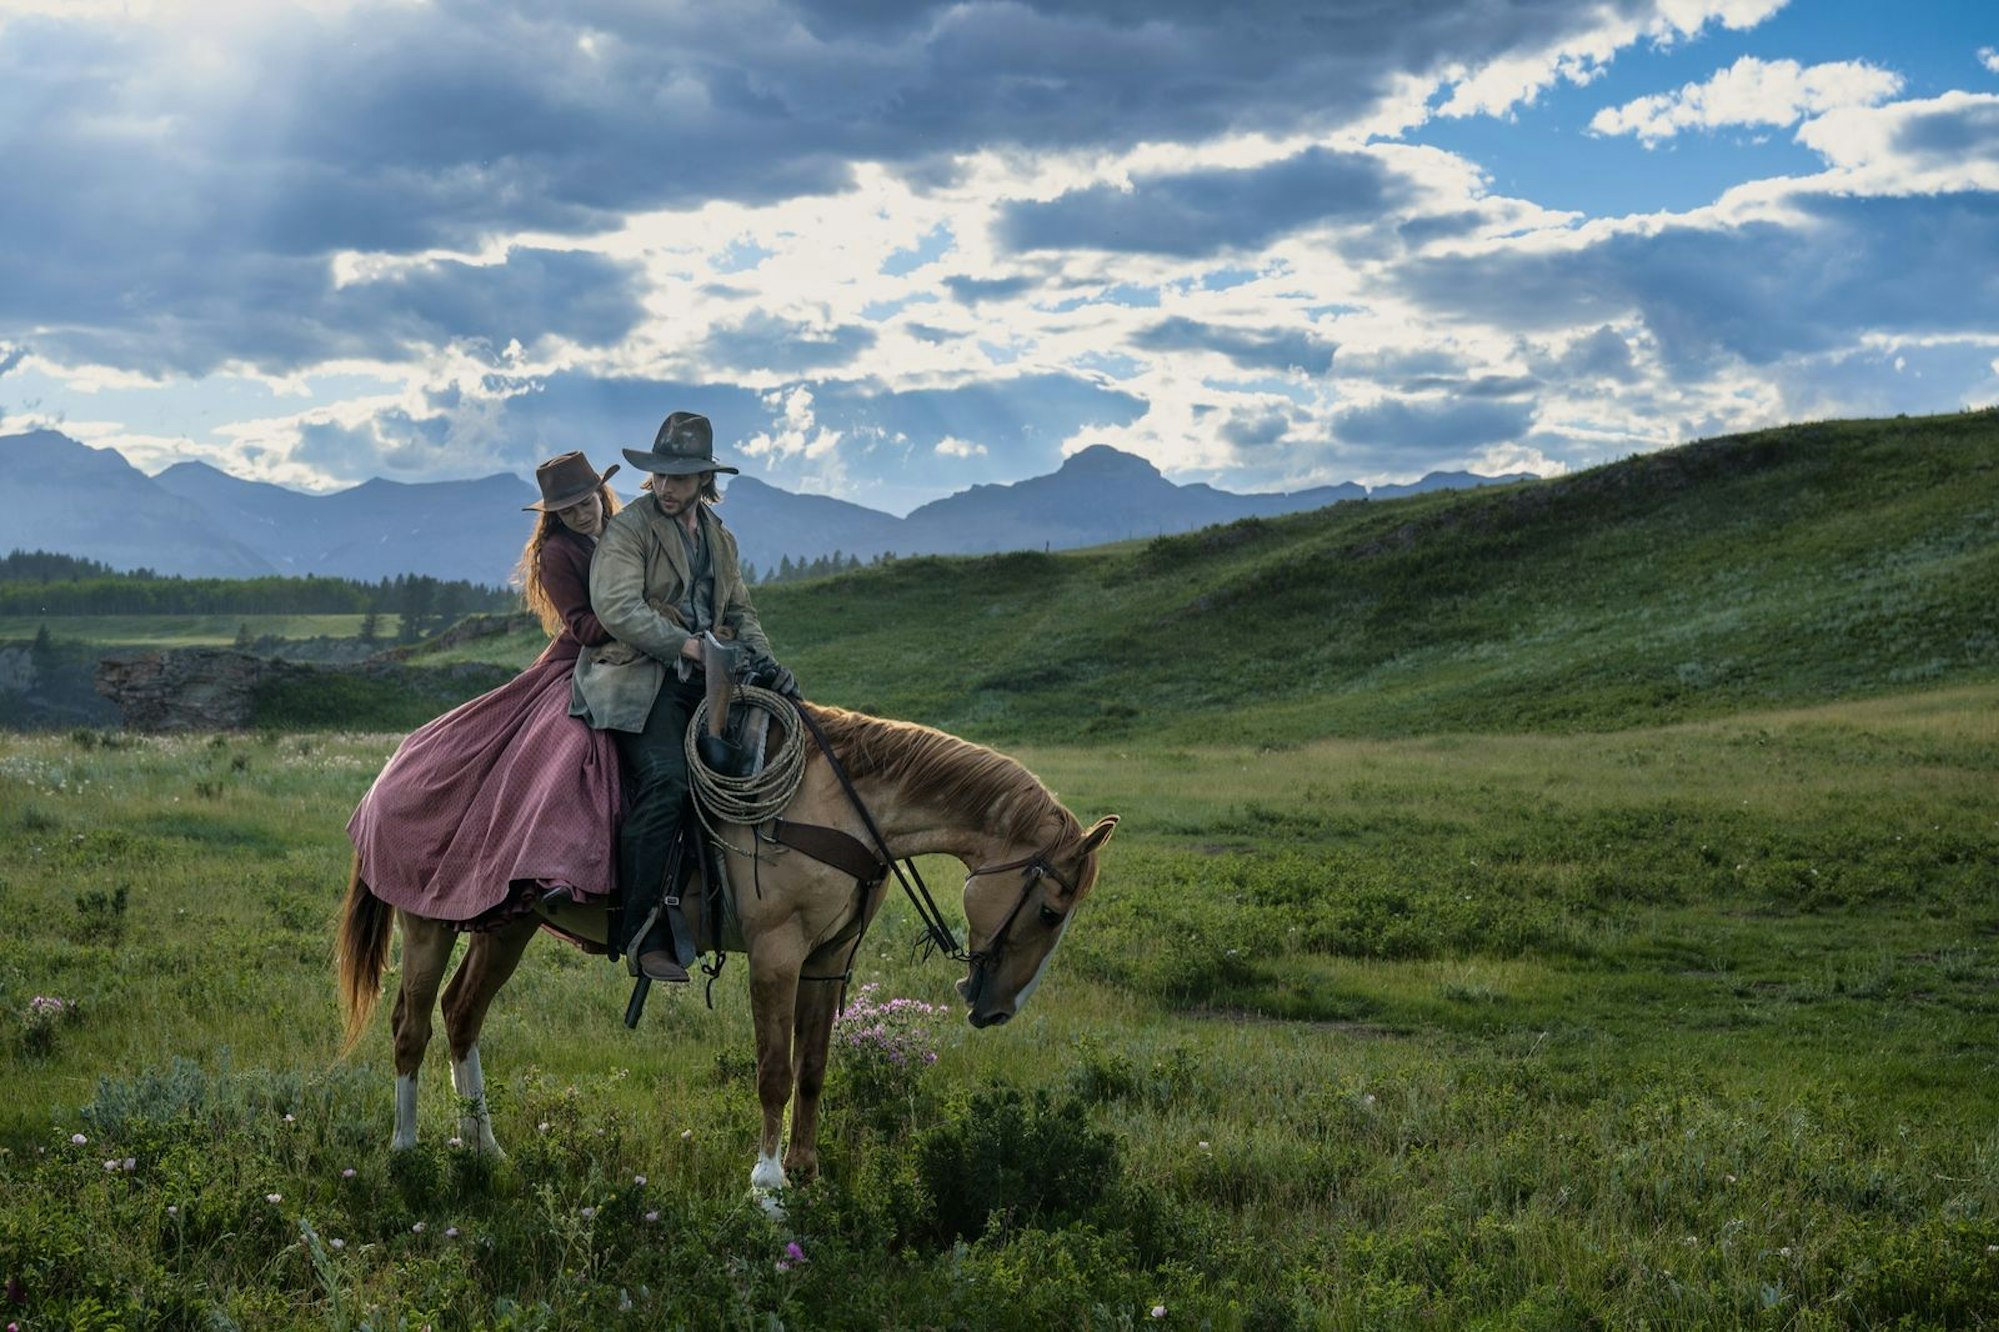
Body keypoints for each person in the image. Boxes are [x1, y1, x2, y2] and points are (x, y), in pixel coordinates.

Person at [347, 452, 625, 932]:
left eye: (586, 502)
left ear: (600, 495)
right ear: (555, 516)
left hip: (630, 659)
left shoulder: (620, 536)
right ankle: (549, 865)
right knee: (570, 741)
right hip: (579, 662)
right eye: (569, 509)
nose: (582, 513)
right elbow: (580, 625)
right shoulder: (558, 554)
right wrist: (639, 621)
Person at [571, 411, 793, 982]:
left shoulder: (719, 537)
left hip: (709, 684)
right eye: (661, 477)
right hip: (640, 680)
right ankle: (640, 932)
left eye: (680, 477)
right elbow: (618, 609)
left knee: (769, 769)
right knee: (668, 780)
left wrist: (766, 664)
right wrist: (688, 647)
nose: (667, 487)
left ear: (703, 480)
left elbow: (739, 611)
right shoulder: (630, 530)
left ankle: (740, 907)